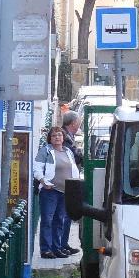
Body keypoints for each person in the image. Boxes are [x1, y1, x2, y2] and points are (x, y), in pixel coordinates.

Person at [33, 127, 80, 259]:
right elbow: (36, 169)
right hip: (50, 191)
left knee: (60, 220)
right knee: (47, 220)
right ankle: (46, 249)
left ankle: (57, 247)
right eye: (54, 136)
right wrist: (43, 181)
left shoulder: (68, 151)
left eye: (59, 135)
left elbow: (73, 168)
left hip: (65, 191)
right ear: (50, 138)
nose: (57, 138)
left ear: (63, 137)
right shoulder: (46, 151)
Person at [59, 111, 84, 253]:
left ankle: (63, 243)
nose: (80, 123)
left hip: (67, 180)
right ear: (73, 123)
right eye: (79, 121)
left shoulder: (69, 136)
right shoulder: (65, 137)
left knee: (66, 214)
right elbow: (74, 156)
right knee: (64, 214)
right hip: (64, 181)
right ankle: (61, 244)